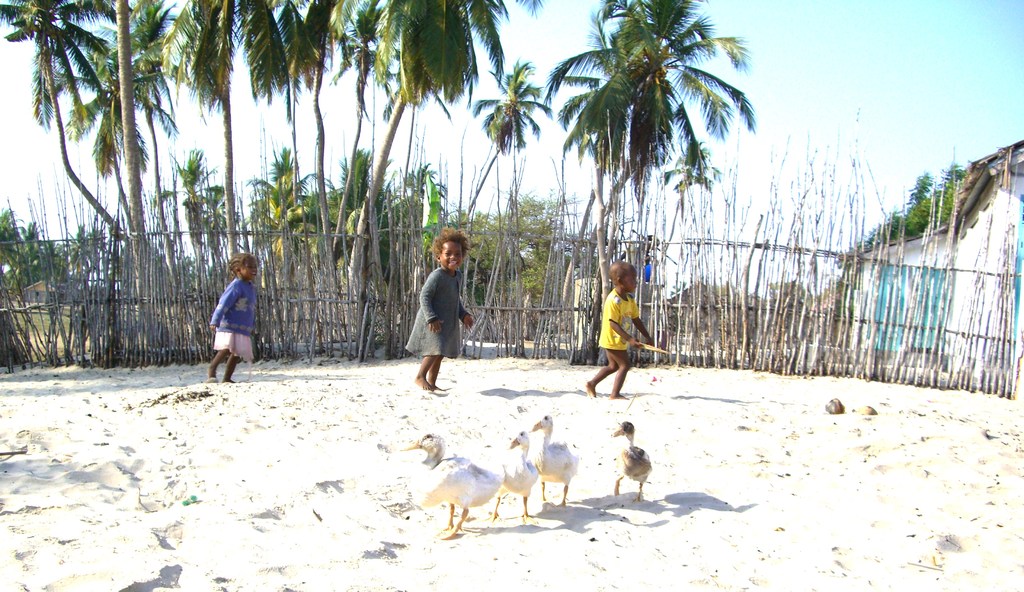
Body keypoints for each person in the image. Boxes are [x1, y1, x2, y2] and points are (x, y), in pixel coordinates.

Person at [406, 228, 475, 391]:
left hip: (445, 323)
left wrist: (463, 314)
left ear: (462, 256)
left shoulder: (457, 276)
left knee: (440, 352)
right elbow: (424, 296)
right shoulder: (437, 276)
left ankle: (432, 383)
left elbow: (454, 300)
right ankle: (419, 376)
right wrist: (431, 317)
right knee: (434, 350)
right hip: (432, 321)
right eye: (448, 254)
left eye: (457, 254)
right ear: (439, 257)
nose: (453, 257)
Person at [585, 261, 652, 400]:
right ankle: (614, 394)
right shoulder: (613, 300)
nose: (636, 282)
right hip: (611, 339)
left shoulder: (629, 299)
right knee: (625, 365)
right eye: (632, 279)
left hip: (619, 339)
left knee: (613, 366)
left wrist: (647, 336)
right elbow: (613, 324)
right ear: (620, 281)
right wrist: (630, 339)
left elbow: (636, 319)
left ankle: (592, 383)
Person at [208, 252, 258, 383]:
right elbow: (224, 303)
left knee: (236, 354)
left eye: (255, 267)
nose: (254, 270)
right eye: (250, 267)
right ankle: (212, 372)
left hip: (242, 327)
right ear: (238, 270)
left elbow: (250, 309)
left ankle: (227, 378)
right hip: (230, 325)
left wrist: (250, 325)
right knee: (225, 349)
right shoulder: (236, 286)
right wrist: (215, 320)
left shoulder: (251, 287)